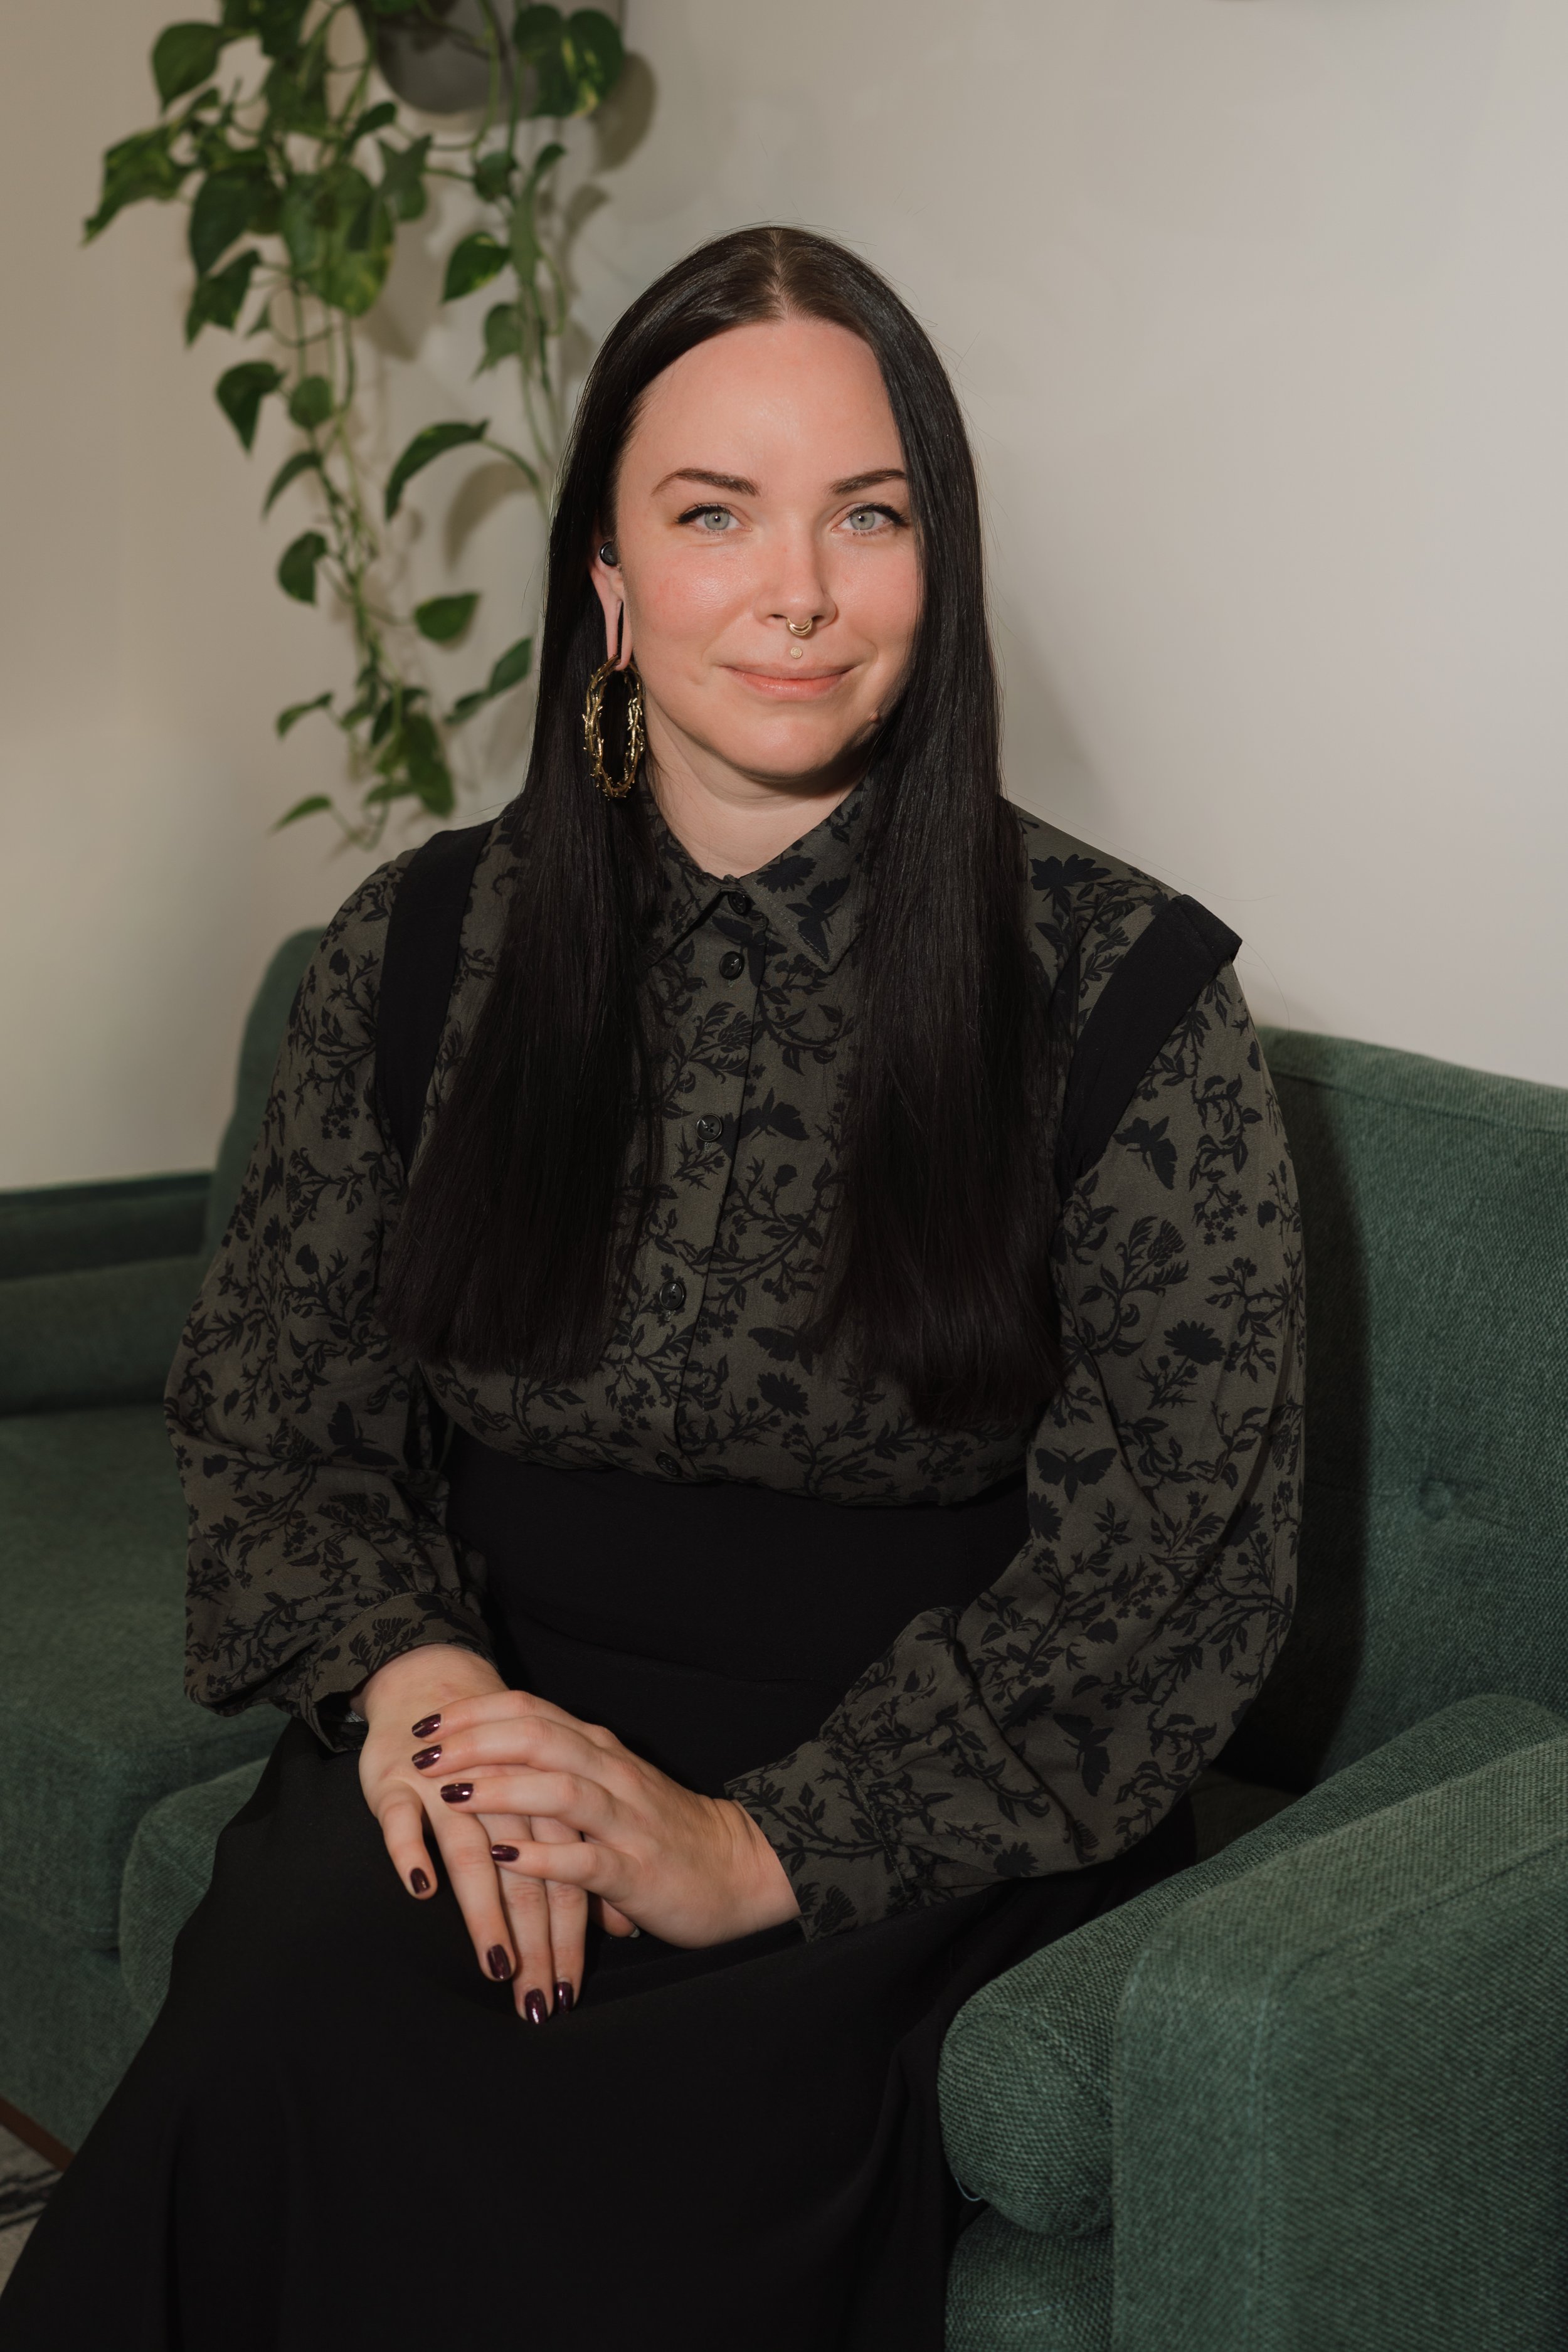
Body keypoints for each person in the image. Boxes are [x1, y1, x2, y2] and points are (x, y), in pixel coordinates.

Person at [0, 225, 1303, 2352]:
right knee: (276, 2037)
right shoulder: (423, 946)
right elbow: (273, 1406)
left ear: (932, 567)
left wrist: (740, 1850)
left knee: (615, 2194)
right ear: (605, 580)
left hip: (917, 1788)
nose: (795, 587)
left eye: (864, 516)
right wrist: (423, 1707)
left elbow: (1176, 1563)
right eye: (712, 513)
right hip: (485, 1713)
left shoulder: (1127, 996)